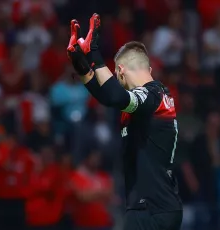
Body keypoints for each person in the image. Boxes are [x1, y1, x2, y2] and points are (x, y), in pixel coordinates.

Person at [66, 13, 183, 230]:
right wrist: (81, 64)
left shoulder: (152, 95)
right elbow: (106, 96)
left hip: (152, 210)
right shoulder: (151, 99)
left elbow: (114, 96)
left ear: (120, 72)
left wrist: (94, 54)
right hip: (155, 207)